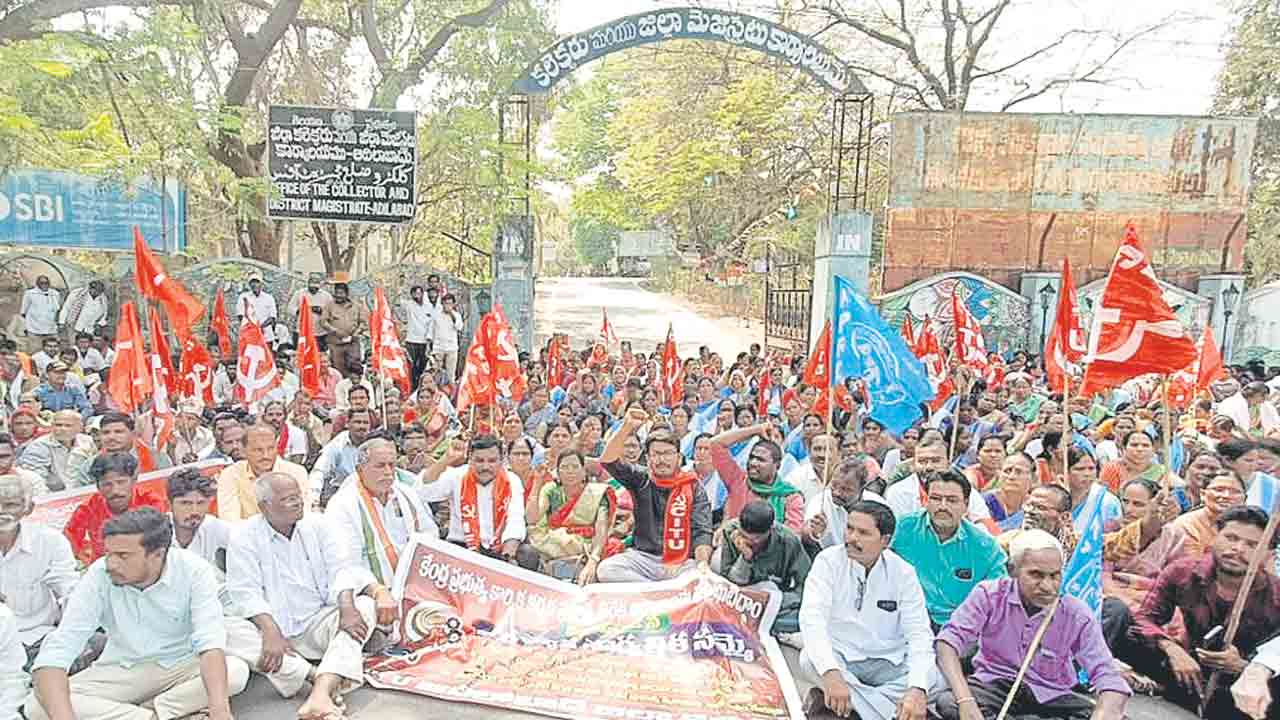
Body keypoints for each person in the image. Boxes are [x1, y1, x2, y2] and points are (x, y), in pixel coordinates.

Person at [25, 508, 246, 720]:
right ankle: (153, 716)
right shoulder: (99, 574)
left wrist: (220, 711)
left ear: (158, 554)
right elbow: (61, 646)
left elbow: (209, 642)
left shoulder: (194, 570)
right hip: (122, 669)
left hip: (182, 664)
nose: (111, 564)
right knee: (37, 706)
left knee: (234, 672)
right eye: (109, 553)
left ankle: (143, 711)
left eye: (123, 555)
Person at [225, 470, 380, 720]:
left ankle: (320, 691)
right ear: (264, 507)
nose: (297, 502)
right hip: (272, 634)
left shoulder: (318, 524)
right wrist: (270, 630)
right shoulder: (244, 536)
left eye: (298, 496)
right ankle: (313, 675)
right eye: (287, 499)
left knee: (364, 606)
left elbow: (341, 568)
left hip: (318, 622)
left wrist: (347, 607)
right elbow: (244, 592)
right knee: (225, 629)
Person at [934, 529, 1131, 720]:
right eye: (1036, 575)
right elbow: (947, 644)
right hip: (994, 686)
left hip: (1052, 696)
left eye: (1055, 576)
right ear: (1012, 570)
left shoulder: (1076, 613)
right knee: (950, 702)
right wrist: (966, 701)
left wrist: (1104, 713)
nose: (1047, 586)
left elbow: (1107, 674)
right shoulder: (989, 595)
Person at [1118, 506, 1280, 717]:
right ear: (1215, 536)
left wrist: (1244, 666)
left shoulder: (1275, 594)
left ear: (1268, 554)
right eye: (1231, 538)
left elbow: (1274, 655)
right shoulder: (1183, 571)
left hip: (1244, 687)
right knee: (1120, 620)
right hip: (1188, 669)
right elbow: (1144, 617)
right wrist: (1172, 649)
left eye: (1252, 545)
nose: (1238, 549)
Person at [797, 499, 935, 720]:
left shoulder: (903, 573)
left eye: (863, 533)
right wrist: (831, 673)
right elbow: (812, 619)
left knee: (933, 678)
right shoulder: (828, 562)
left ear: (885, 541)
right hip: (842, 657)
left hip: (888, 663)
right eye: (850, 528)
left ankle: (849, 704)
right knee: (809, 661)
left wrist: (917, 689)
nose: (852, 538)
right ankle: (890, 713)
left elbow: (919, 633)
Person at [595, 409, 713, 582]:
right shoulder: (641, 479)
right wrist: (626, 427)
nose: (661, 460)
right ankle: (662, 591)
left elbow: (702, 531)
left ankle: (656, 591)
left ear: (679, 458)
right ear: (648, 458)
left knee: (697, 576)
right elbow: (608, 461)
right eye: (656, 454)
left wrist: (702, 565)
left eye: (667, 454)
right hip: (644, 558)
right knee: (607, 569)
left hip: (681, 561)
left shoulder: (693, 486)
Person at [891, 469, 1007, 629]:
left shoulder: (985, 547)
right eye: (936, 499)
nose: (943, 506)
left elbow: (999, 596)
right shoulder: (902, 529)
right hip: (905, 620)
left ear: (966, 505)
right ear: (925, 500)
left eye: (952, 500)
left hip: (960, 627)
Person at [325, 438, 437, 589]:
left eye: (392, 465)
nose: (388, 472)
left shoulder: (406, 494)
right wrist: (376, 591)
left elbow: (429, 533)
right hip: (369, 590)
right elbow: (346, 563)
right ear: (360, 470)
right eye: (380, 466)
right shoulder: (343, 504)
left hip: (414, 584)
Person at [421, 434, 538, 570]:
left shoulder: (512, 480)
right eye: (479, 460)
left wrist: (508, 559)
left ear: (502, 460)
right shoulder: (457, 475)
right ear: (470, 459)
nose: (485, 467)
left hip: (500, 550)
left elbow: (515, 520)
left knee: (528, 555)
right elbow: (426, 491)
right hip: (462, 546)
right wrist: (445, 460)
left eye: (492, 461)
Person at [0, 473, 80, 669]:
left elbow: (70, 592)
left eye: (10, 505)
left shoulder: (50, 542)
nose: (1, 512)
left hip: (39, 638)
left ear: (28, 509)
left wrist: (68, 637)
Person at [714, 500, 810, 635]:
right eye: (744, 536)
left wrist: (778, 600)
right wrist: (745, 558)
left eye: (756, 539)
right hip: (741, 597)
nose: (749, 542)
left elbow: (807, 586)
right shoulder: (731, 532)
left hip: (774, 599)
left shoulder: (788, 540)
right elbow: (728, 582)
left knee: (802, 619)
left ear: (770, 530)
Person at [527, 450, 617, 584]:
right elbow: (532, 519)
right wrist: (537, 482)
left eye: (575, 467)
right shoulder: (551, 490)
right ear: (558, 472)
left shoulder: (597, 493)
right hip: (554, 544)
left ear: (584, 471)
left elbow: (601, 530)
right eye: (564, 467)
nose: (570, 471)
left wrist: (593, 560)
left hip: (587, 545)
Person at [64, 452, 167, 566]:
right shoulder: (88, 508)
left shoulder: (152, 503)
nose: (115, 491)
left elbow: (160, 543)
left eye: (121, 482)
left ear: (133, 480)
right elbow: (68, 542)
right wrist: (85, 560)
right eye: (107, 484)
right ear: (98, 486)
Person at [710, 423, 805, 533]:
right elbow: (715, 444)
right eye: (751, 457)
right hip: (733, 542)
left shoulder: (790, 496)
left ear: (777, 465)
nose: (753, 463)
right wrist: (756, 430)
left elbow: (792, 534)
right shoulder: (738, 480)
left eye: (761, 460)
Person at [884, 435, 991, 523]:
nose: (929, 467)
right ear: (913, 464)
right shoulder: (898, 491)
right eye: (922, 461)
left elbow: (985, 525)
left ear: (948, 462)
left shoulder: (963, 489)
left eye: (935, 461)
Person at [217, 423, 310, 520]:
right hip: (246, 529)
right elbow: (230, 520)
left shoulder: (296, 472)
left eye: (271, 449)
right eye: (258, 450)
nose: (266, 455)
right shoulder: (230, 474)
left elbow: (303, 516)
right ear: (244, 451)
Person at [802, 456, 886, 553]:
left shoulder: (878, 505)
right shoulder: (820, 501)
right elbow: (806, 532)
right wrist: (814, 532)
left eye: (846, 489)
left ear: (862, 488)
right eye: (834, 485)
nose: (837, 493)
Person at [1171, 468, 1248, 557]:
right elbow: (1190, 562)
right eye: (1219, 490)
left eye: (1235, 492)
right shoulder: (1187, 525)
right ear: (1203, 494)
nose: (1226, 496)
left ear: (1245, 499)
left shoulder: (1249, 528)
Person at [168, 467, 231, 574]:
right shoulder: (155, 532)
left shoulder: (215, 527)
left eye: (201, 503)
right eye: (185, 503)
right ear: (170, 504)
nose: (194, 511)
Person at [18, 410, 95, 493]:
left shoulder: (88, 441)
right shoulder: (38, 447)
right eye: (58, 425)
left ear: (79, 428)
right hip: (52, 495)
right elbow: (35, 481)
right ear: (51, 426)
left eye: (68, 426)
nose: (62, 429)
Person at [310, 408, 373, 507]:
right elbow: (319, 471)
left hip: (369, 494)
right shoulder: (337, 444)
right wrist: (314, 499)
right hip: (341, 494)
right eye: (357, 422)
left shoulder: (375, 443)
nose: (362, 426)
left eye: (365, 423)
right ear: (348, 424)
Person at [322, 282, 366, 378]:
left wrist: (356, 332)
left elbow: (363, 323)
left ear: (346, 294)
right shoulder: (329, 305)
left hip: (352, 342)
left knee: (354, 365)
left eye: (341, 293)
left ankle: (355, 384)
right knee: (338, 368)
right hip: (335, 343)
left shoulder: (357, 306)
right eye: (336, 293)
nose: (338, 295)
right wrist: (334, 330)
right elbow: (323, 322)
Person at [983, 452, 1035, 531]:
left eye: (1018, 472)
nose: (1011, 477)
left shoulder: (1034, 506)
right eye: (1007, 471)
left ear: (1032, 478)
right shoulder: (984, 502)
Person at [400, 285, 436, 390]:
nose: (417, 295)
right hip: (411, 340)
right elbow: (399, 301)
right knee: (411, 365)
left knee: (423, 365)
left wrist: (429, 338)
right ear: (412, 294)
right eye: (415, 293)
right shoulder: (409, 305)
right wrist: (401, 285)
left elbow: (431, 323)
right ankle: (411, 387)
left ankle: (421, 387)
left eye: (419, 293)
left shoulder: (429, 306)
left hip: (424, 341)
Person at [286, 272, 332, 351]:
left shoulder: (326, 296)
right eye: (312, 287)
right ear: (308, 283)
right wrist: (302, 310)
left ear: (320, 285)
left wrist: (321, 311)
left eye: (316, 287)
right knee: (301, 353)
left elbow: (332, 311)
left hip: (320, 332)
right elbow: (290, 308)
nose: (314, 289)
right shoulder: (299, 293)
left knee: (318, 354)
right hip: (301, 331)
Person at [20, 275, 61, 354]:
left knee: (53, 351)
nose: (44, 285)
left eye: (46, 283)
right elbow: (24, 311)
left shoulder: (55, 293)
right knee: (35, 351)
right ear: (37, 283)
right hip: (34, 329)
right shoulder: (30, 293)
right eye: (42, 283)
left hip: (51, 328)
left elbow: (58, 309)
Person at [237, 273, 279, 344]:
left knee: (267, 351)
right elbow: (240, 315)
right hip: (249, 335)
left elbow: (272, 317)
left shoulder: (269, 298)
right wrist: (252, 327)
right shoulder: (243, 297)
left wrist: (259, 327)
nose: (254, 284)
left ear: (261, 284)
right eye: (252, 282)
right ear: (249, 285)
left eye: (257, 282)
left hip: (266, 336)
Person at [432, 293, 463, 380]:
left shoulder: (457, 315)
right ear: (442, 304)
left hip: (451, 347)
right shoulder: (436, 315)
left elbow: (459, 327)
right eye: (446, 303)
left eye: (450, 303)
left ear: (453, 304)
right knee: (436, 372)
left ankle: (451, 387)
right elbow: (432, 330)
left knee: (451, 374)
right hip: (438, 347)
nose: (447, 306)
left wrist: (452, 315)